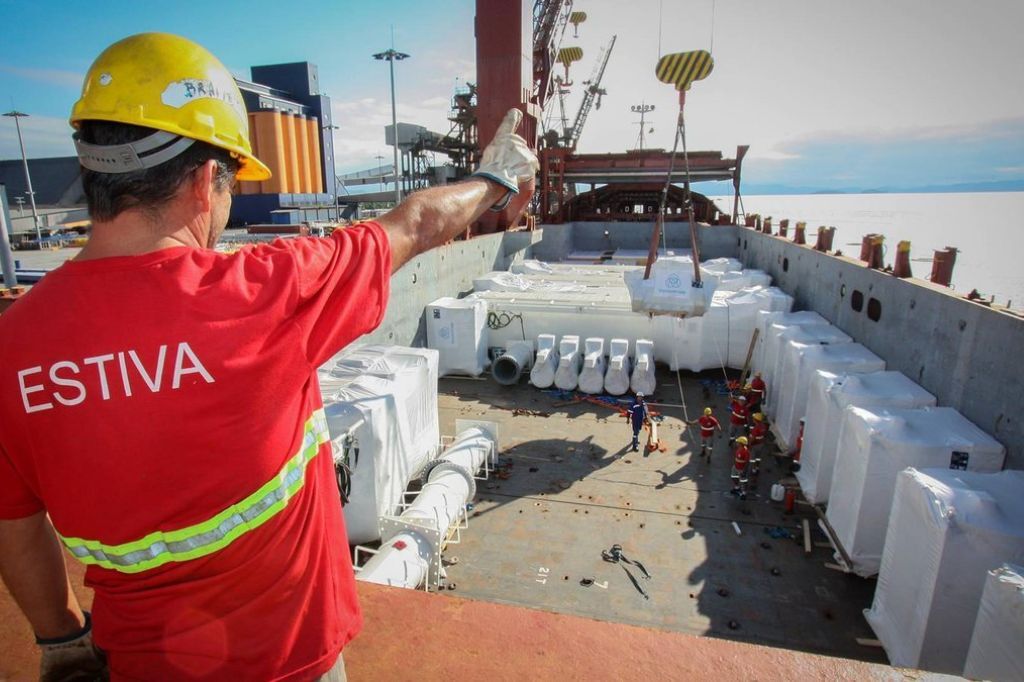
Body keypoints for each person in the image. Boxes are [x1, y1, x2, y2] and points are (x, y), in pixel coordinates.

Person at [0, 33, 538, 681]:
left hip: (141, 663)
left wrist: (60, 639)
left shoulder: (13, 346)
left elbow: (15, 519)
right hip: (290, 662)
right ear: (205, 182)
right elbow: (417, 224)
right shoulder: (268, 289)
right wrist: (494, 179)